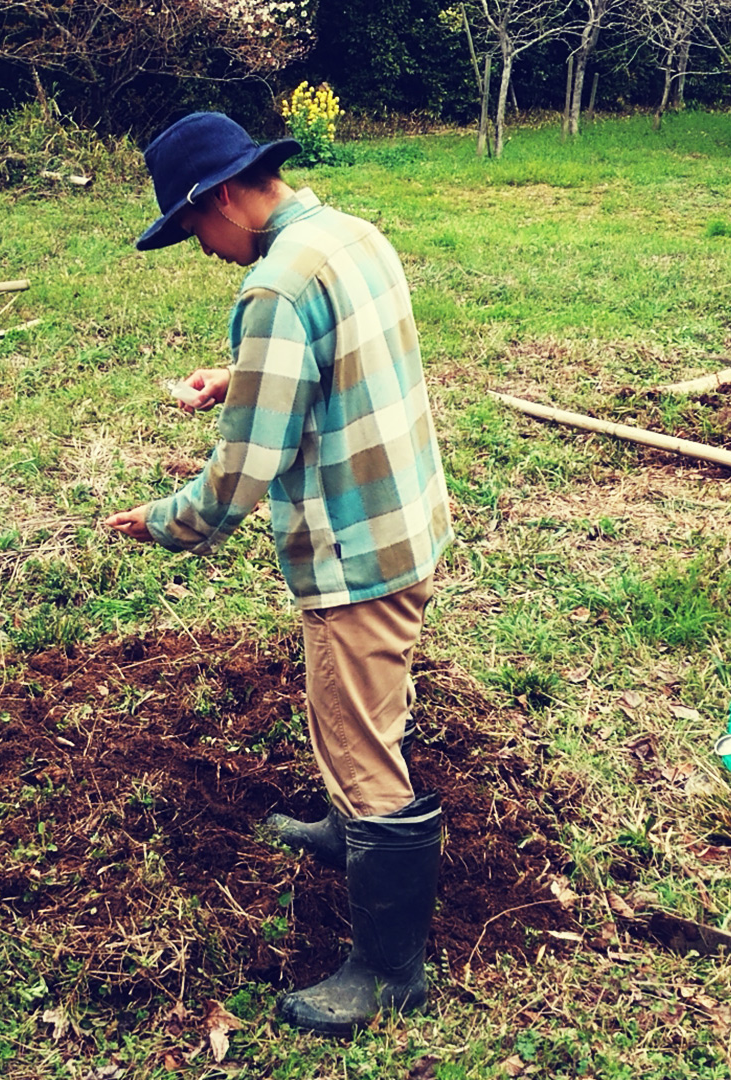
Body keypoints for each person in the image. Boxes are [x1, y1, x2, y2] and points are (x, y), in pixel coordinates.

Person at [102, 111, 453, 1036]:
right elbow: (336, 356)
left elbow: (243, 473)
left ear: (221, 196)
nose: (202, 250)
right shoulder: (347, 236)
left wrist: (164, 524)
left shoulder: (272, 289)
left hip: (351, 552)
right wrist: (242, 373)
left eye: (191, 229)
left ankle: (387, 971)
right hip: (406, 522)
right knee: (369, 704)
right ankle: (347, 831)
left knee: (356, 731)